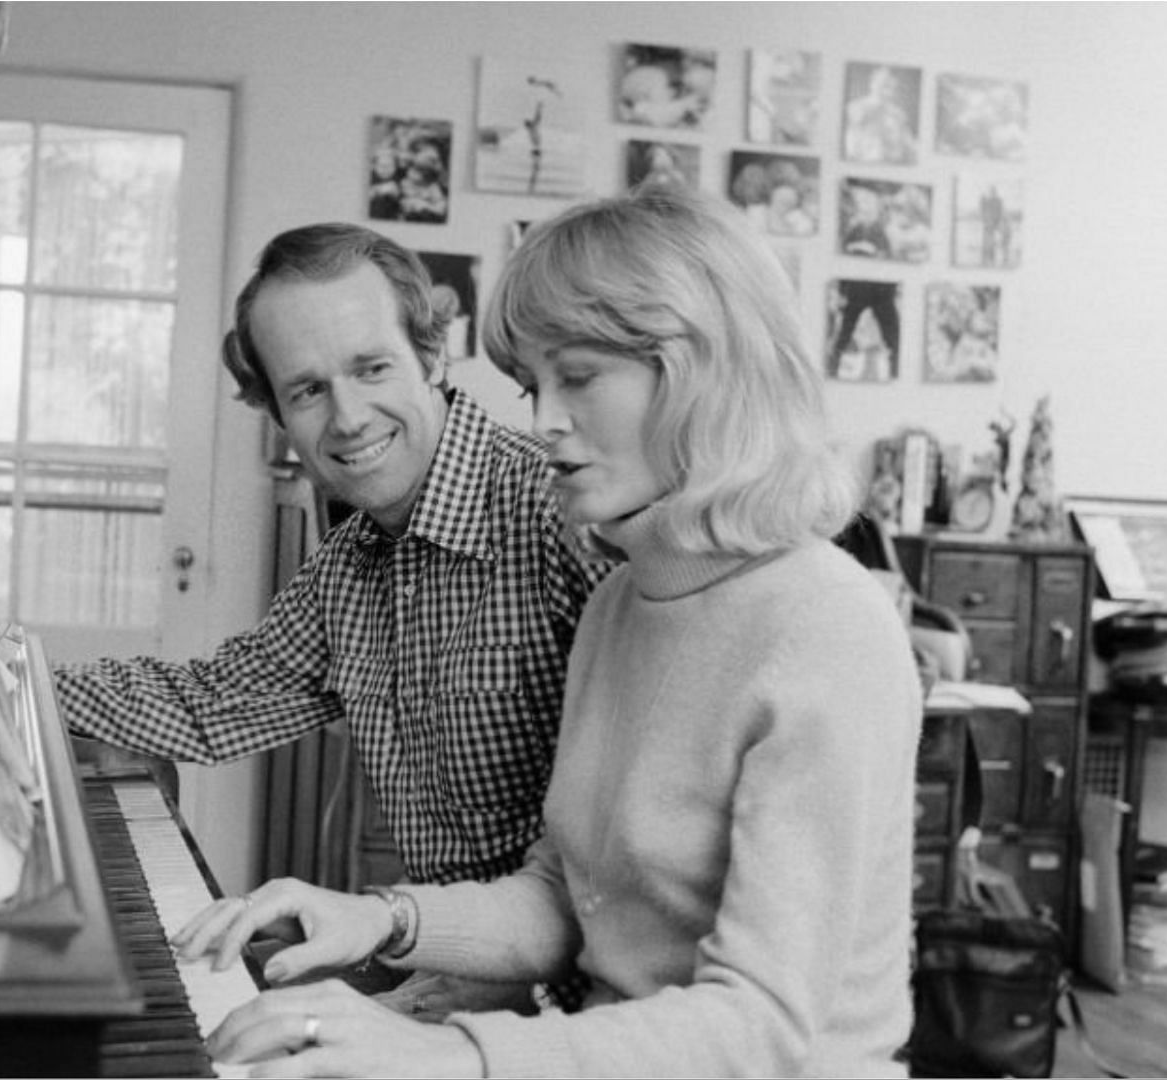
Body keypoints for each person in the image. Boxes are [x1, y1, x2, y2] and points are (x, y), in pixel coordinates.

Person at [173, 184, 924, 1077]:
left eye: (579, 377)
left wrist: (447, 1054)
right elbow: (567, 900)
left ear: (701, 367)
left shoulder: (825, 626)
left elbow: (758, 1027)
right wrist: (381, 916)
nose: (543, 421)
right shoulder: (624, 604)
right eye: (535, 384)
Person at [56, 222, 613, 1013]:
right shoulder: (348, 567)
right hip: (432, 952)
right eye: (307, 390)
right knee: (198, 1000)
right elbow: (209, 705)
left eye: (371, 368)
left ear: (431, 355)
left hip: (565, 995)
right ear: (277, 412)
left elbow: (649, 882)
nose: (347, 418)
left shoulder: (558, 513)